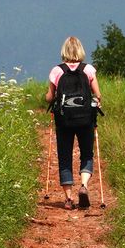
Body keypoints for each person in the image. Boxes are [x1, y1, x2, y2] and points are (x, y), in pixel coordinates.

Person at [45, 35, 102, 209]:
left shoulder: (57, 71)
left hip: (64, 121)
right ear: (80, 50)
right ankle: (83, 186)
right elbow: (98, 95)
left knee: (64, 156)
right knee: (86, 154)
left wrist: (48, 97)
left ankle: (68, 199)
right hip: (85, 119)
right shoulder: (88, 69)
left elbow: (49, 98)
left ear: (64, 51)